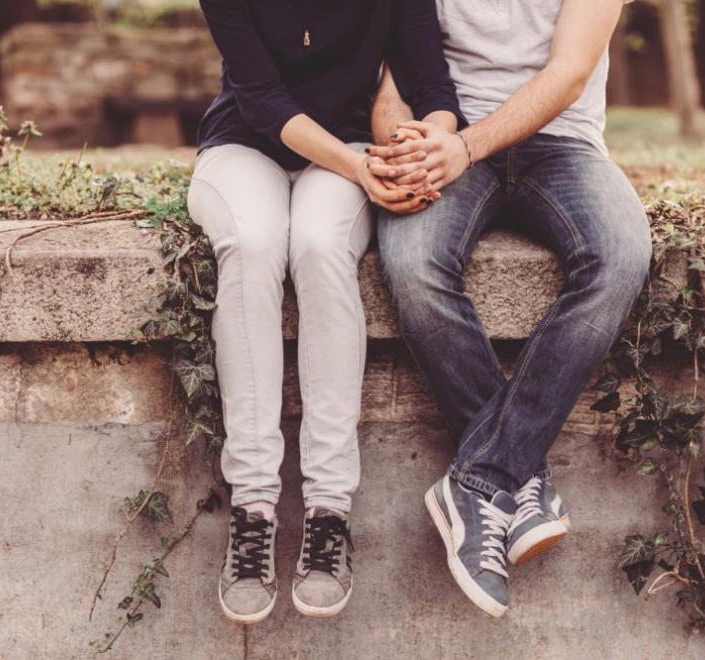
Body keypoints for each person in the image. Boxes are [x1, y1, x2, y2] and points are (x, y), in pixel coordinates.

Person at [367, 0, 651, 617]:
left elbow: (568, 74)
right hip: (447, 133)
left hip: (563, 144)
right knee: (414, 265)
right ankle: (520, 476)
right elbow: (393, 75)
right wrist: (402, 146)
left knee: (621, 256)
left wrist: (466, 147)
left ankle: (480, 480)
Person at [189, 0, 463, 624]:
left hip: (352, 147)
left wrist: (428, 142)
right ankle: (253, 507)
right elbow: (262, 100)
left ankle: (329, 510)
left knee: (319, 246)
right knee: (253, 244)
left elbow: (433, 87)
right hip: (243, 147)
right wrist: (360, 169)